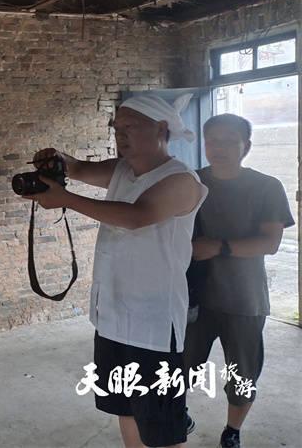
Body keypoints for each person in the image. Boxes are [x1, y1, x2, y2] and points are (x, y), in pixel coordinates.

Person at [27, 93, 207, 448]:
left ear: (161, 129)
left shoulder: (182, 180)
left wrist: (66, 199)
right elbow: (78, 168)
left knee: (162, 424)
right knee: (125, 406)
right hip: (111, 314)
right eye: (116, 127)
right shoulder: (122, 170)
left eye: (130, 127)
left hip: (153, 323)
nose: (120, 134)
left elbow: (138, 216)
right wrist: (57, 160)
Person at [184, 114, 294, 448]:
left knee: (242, 375)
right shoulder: (189, 182)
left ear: (246, 146)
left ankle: (232, 430)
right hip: (192, 298)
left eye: (229, 140)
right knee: (180, 366)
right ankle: (177, 413)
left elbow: (270, 243)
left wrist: (218, 247)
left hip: (244, 299)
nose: (219, 148)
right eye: (212, 140)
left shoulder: (266, 187)